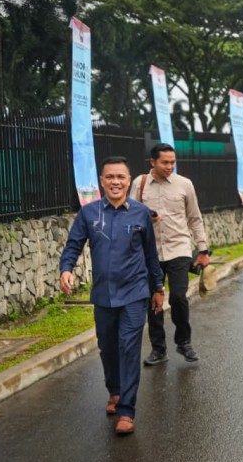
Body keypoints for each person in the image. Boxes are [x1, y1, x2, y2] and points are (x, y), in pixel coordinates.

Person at [60, 156, 165, 436]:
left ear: (128, 181)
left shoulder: (141, 213)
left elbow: (151, 255)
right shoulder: (89, 213)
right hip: (104, 296)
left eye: (121, 177)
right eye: (110, 177)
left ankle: (127, 411)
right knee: (107, 347)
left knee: (129, 348)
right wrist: (65, 269)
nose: (116, 182)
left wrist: (158, 288)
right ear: (102, 181)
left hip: (134, 293)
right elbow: (73, 245)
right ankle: (115, 392)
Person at [131, 144, 210, 366]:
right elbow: (129, 215)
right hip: (150, 251)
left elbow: (194, 218)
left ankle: (183, 341)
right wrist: (146, 218)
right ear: (152, 162)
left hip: (179, 248)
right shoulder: (140, 184)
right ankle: (158, 349)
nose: (169, 166)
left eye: (172, 162)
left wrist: (202, 249)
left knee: (178, 297)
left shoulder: (185, 184)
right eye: (165, 162)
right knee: (153, 301)